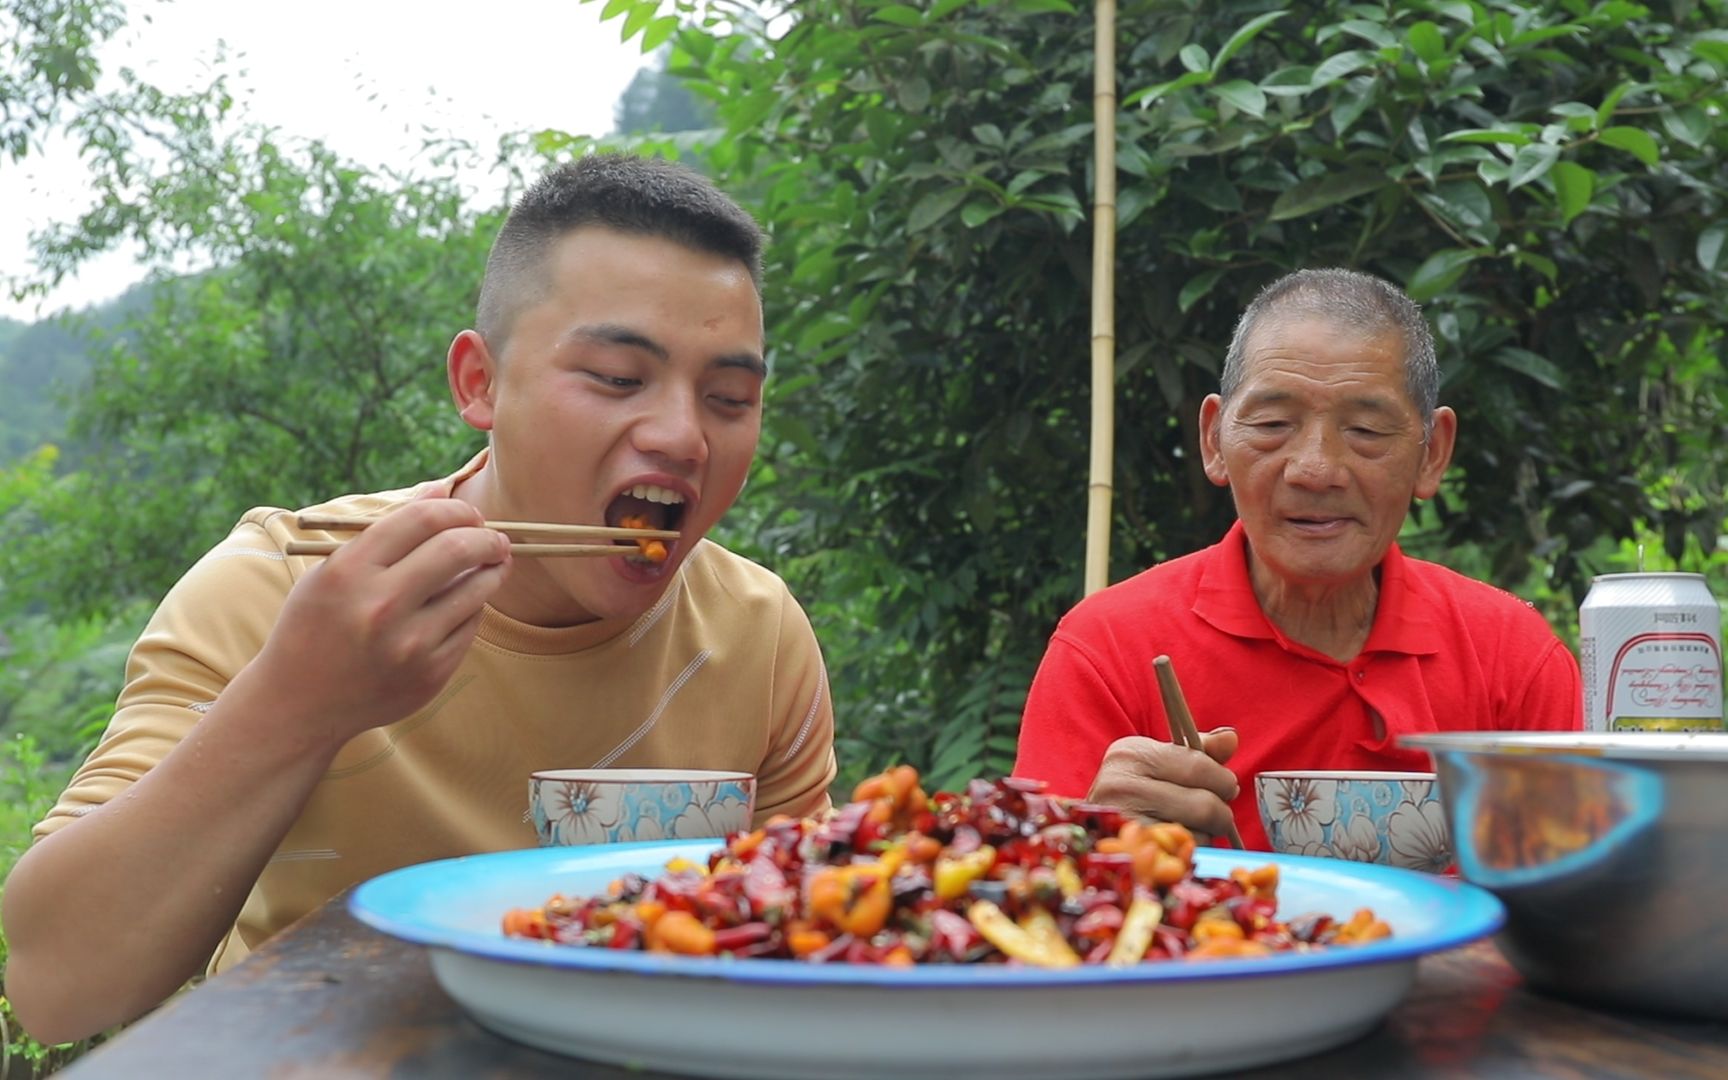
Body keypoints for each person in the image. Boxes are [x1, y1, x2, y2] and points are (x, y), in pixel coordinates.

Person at [3, 154, 837, 1044]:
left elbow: (810, 956)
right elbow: (59, 988)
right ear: (480, 383)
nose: (682, 435)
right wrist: (301, 698)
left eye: (730, 397)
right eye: (617, 378)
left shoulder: (757, 631)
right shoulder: (287, 587)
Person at [1013, 267, 1581, 849]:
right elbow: (1030, 906)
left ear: (1431, 453)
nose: (1314, 469)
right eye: (1272, 424)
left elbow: (1578, 902)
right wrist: (1094, 840)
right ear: (1214, 440)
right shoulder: (1108, 649)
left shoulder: (1513, 659)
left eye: (1364, 429)